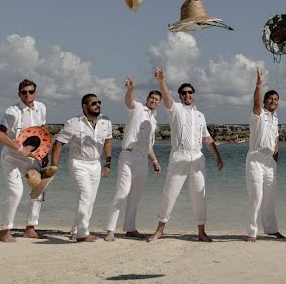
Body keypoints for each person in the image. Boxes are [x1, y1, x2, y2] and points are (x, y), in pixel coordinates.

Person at [148, 69, 224, 243]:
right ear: (180, 96)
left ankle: (201, 232)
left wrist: (217, 157)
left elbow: (207, 138)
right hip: (179, 156)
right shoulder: (175, 110)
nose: (187, 95)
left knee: (200, 195)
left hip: (197, 158)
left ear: (194, 95)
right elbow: (166, 97)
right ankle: (159, 231)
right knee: (169, 193)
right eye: (184, 93)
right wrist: (162, 81)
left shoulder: (200, 115)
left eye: (190, 92)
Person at [104, 77, 162, 241]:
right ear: (147, 99)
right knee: (122, 192)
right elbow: (128, 101)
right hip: (128, 156)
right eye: (152, 98)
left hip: (143, 159)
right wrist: (130, 89)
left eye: (157, 99)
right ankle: (110, 230)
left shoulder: (154, 119)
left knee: (136, 195)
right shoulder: (137, 108)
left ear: (159, 103)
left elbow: (148, 144)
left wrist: (155, 161)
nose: (153, 101)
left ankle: (130, 228)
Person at [51, 93, 114, 242]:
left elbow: (108, 141)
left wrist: (108, 163)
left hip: (96, 164)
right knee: (85, 196)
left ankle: (76, 229)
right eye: (94, 103)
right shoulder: (73, 123)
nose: (98, 105)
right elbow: (58, 143)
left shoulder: (106, 121)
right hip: (79, 163)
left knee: (89, 199)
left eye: (99, 102)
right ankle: (82, 234)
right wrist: (53, 165)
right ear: (85, 107)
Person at [0, 79, 48, 242]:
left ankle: (30, 228)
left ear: (35, 93)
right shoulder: (13, 112)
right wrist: (20, 149)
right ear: (19, 94)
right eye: (24, 92)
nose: (27, 95)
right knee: (16, 192)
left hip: (32, 159)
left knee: (39, 189)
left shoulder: (41, 108)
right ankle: (5, 231)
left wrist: (44, 153)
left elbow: (43, 131)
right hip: (12, 158)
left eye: (30, 92)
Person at [247, 68, 285, 242]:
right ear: (264, 101)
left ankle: (271, 229)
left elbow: (276, 138)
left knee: (270, 198)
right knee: (257, 196)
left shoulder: (275, 118)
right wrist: (259, 83)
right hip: (255, 159)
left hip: (270, 162)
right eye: (270, 98)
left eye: (276, 99)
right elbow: (255, 102)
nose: (273, 101)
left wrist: (275, 158)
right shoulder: (259, 113)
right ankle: (252, 232)